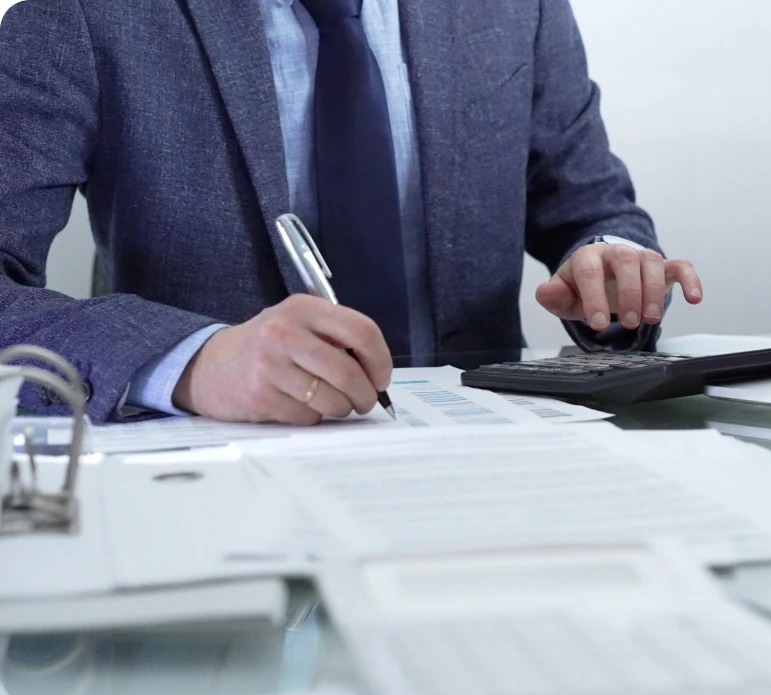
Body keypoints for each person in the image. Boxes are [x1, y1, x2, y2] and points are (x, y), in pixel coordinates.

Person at [0, 0, 703, 424]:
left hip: (489, 456)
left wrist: (609, 265)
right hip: (210, 480)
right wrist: (191, 363)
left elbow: (592, 208)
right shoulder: (77, 11)